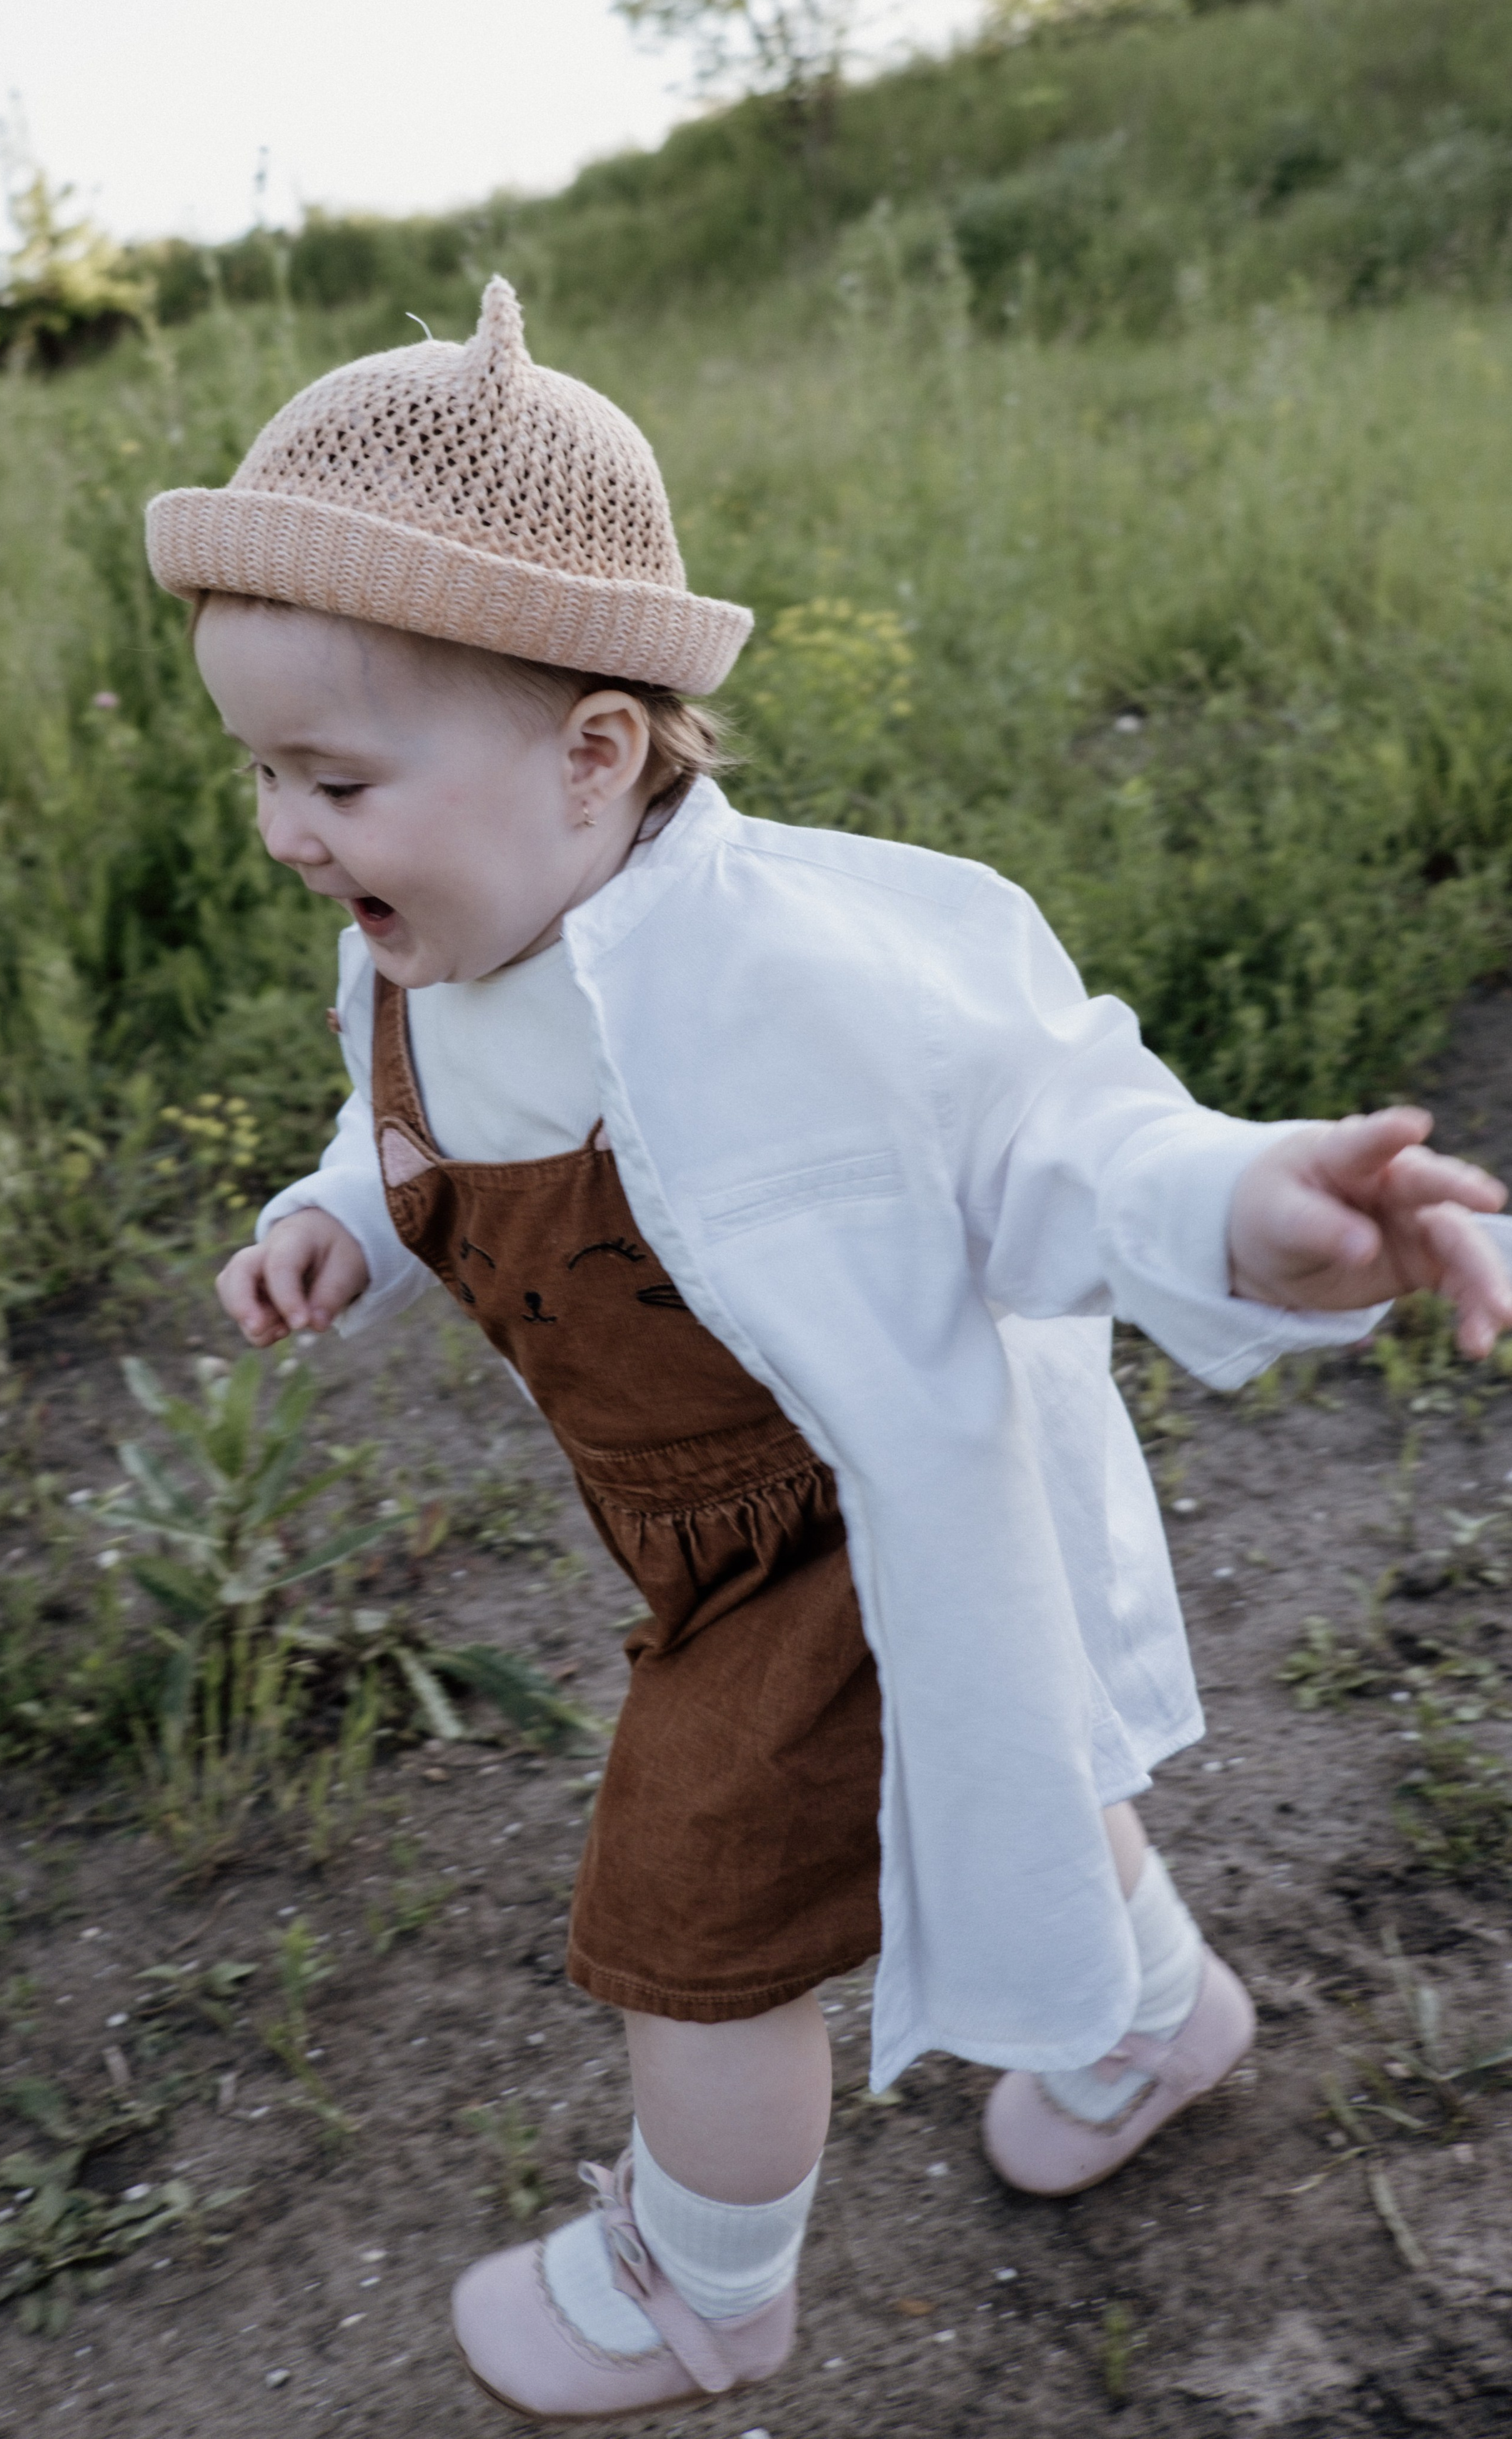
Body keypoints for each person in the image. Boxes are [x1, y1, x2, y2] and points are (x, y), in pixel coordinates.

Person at [144, 278, 1512, 2422]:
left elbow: (1054, 1127)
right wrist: (335, 1221)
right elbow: (416, 1120)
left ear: (595, 754)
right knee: (1019, 1771)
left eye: (333, 778)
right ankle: (1154, 2020)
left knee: (688, 1924)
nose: (289, 833)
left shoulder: (808, 977)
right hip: (686, 1530)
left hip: (838, 1546)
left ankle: (703, 2287)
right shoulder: (422, 947)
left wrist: (1253, 1208)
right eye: (260, 776)